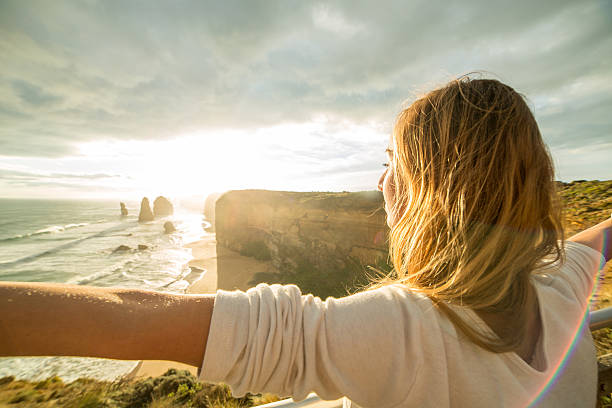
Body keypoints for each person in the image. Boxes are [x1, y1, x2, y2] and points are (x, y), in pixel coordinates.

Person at [0, 76, 609, 407]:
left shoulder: (402, 332)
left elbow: (136, 320)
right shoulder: (562, 287)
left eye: (396, 163)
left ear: (432, 190)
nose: (381, 182)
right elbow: (598, 239)